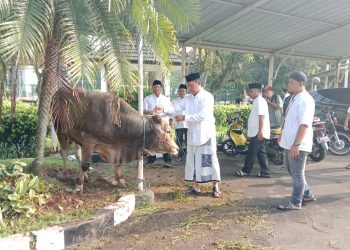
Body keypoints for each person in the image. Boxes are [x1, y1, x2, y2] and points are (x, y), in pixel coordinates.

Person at [175, 72, 222, 198]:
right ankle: (196, 187)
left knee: (210, 160)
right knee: (193, 161)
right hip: (193, 136)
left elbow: (202, 115)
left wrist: (184, 117)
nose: (189, 88)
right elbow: (176, 107)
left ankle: (215, 186)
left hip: (206, 135)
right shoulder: (188, 98)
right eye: (188, 86)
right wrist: (161, 109)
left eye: (191, 85)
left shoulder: (207, 97)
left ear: (198, 83)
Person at [277, 72, 316, 211]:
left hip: (298, 144)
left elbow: (304, 124)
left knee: (297, 174)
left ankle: (295, 202)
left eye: (291, 82)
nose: (288, 85)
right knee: (291, 170)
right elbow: (287, 119)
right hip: (289, 142)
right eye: (288, 82)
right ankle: (308, 194)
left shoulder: (306, 100)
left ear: (301, 83)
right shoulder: (293, 97)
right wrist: (281, 133)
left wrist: (296, 144)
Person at [235, 83, 271, 178]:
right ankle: (265, 172)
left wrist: (260, 131)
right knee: (260, 153)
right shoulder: (256, 101)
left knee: (251, 152)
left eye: (251, 91)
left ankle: (246, 171)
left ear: (257, 91)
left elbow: (261, 117)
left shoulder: (260, 101)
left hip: (258, 132)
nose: (250, 93)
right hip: (256, 132)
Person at [144, 80, 174, 167]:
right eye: (155, 87)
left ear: (161, 88)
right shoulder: (147, 98)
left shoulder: (166, 99)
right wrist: (151, 111)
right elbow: (143, 110)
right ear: (152, 88)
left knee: (165, 141)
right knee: (152, 142)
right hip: (152, 124)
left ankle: (167, 161)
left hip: (164, 124)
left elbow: (172, 111)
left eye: (158, 87)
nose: (156, 88)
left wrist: (163, 109)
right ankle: (151, 160)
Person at [172, 84, 188, 162]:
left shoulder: (189, 100)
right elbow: (172, 112)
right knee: (179, 141)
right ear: (178, 91)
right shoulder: (174, 101)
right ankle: (180, 156)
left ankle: (189, 157)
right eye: (180, 91)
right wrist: (175, 118)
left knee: (189, 141)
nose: (182, 92)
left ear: (186, 91)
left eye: (183, 91)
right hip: (178, 125)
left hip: (189, 124)